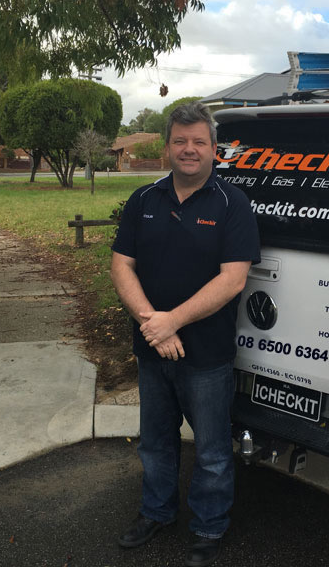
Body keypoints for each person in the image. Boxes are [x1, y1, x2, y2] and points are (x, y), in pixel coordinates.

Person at [110, 101, 260, 567]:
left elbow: (233, 279)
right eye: (180, 141)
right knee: (155, 441)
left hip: (207, 355)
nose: (188, 149)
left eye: (198, 142)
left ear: (215, 149)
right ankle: (156, 512)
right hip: (152, 348)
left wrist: (172, 321)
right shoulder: (144, 200)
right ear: (167, 147)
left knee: (211, 450)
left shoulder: (232, 204)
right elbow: (121, 265)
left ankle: (208, 526)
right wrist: (153, 326)